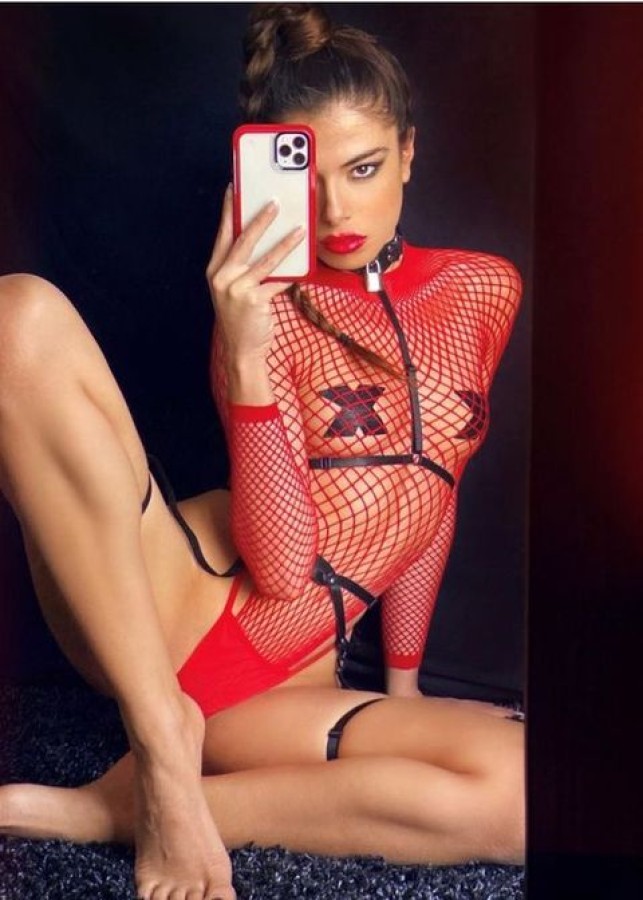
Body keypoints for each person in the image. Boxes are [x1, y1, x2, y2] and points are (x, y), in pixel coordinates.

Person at [0, 4, 524, 899]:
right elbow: (280, 569)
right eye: (306, 178)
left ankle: (104, 811)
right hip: (165, 612)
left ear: (407, 151)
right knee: (16, 318)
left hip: (284, 690)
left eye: (362, 168)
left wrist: (401, 688)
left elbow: (433, 491)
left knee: (524, 794)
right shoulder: (261, 307)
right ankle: (161, 745)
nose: (335, 209)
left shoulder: (482, 289)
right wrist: (242, 348)